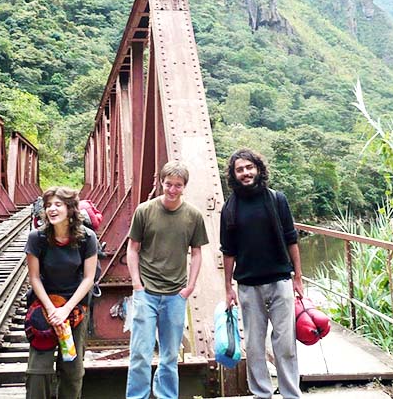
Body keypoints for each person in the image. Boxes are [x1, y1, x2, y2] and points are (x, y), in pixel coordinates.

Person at [220, 148, 304, 399]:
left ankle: (291, 394)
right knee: (254, 346)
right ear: (234, 175)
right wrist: (228, 288)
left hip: (280, 281)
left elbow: (292, 240)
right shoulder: (230, 209)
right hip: (248, 285)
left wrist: (298, 278)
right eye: (240, 170)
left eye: (249, 167)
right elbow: (228, 252)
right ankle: (261, 394)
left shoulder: (277, 199)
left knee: (285, 344)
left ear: (258, 169)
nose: (245, 173)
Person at [125, 161, 209, 399]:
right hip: (147, 293)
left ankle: (166, 396)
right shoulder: (145, 211)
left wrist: (190, 286)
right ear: (161, 183)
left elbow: (197, 252)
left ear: (184, 187)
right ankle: (137, 396)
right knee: (140, 352)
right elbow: (133, 249)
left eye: (178, 185)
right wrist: (136, 284)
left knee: (170, 355)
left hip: (175, 295)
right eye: (168, 184)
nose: (172, 190)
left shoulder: (193, 215)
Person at [24, 186, 98, 399]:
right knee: (38, 369)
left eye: (58, 205)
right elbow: (34, 278)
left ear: (70, 209)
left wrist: (65, 309)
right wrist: (51, 309)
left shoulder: (87, 238)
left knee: (72, 369)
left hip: (75, 308)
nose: (52, 210)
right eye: (48, 206)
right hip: (43, 307)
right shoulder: (37, 238)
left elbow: (88, 278)